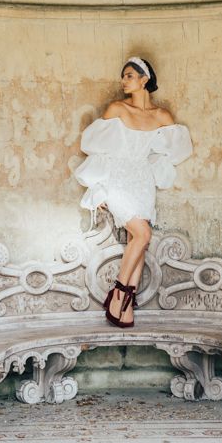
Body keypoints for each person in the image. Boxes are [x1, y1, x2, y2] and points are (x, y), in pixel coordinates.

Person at [74, 57, 192, 327]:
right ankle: (118, 294)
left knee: (138, 239)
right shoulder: (117, 108)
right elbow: (96, 147)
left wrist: (154, 163)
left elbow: (176, 149)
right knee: (143, 233)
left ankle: (126, 308)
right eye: (124, 76)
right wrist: (98, 187)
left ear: (144, 79)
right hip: (118, 178)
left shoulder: (161, 116)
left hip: (142, 180)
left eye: (129, 76)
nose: (123, 81)